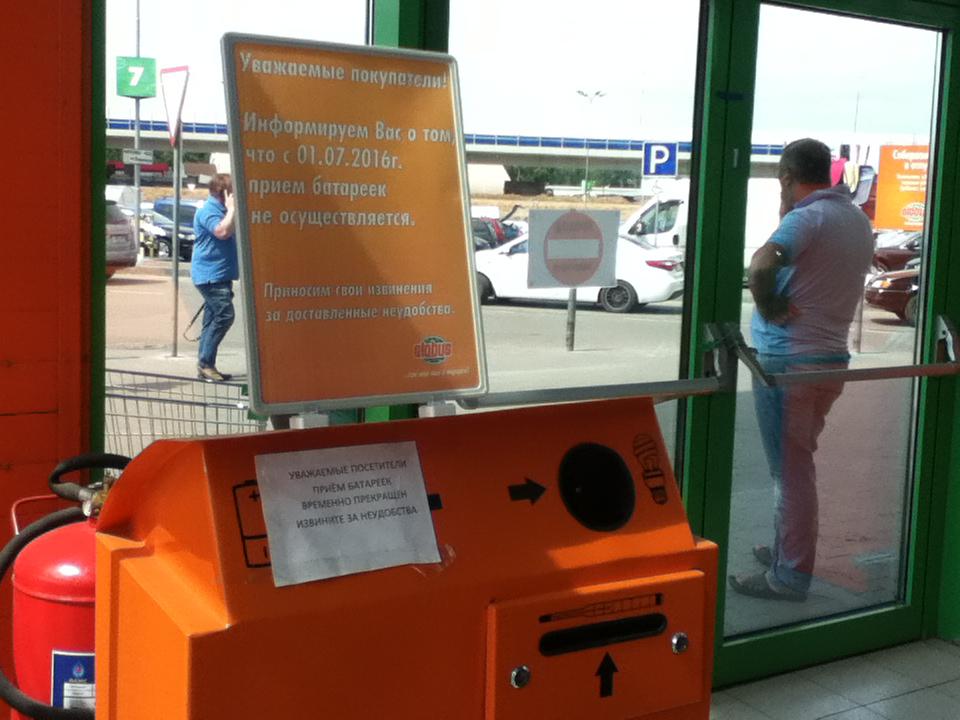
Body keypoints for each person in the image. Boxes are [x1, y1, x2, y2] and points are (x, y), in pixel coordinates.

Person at [729, 138, 874, 602]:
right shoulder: (855, 219)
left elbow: (760, 264)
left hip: (789, 364)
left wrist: (769, 305)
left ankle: (789, 575)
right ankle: (784, 552)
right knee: (796, 464)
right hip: (830, 361)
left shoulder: (808, 218)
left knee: (790, 474)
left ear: (788, 177)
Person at [192, 173, 238, 382]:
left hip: (220, 274)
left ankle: (206, 364)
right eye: (234, 192)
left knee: (211, 319)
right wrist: (232, 209)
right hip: (210, 275)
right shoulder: (208, 211)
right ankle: (205, 363)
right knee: (225, 316)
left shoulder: (221, 210)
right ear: (225, 194)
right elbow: (222, 232)